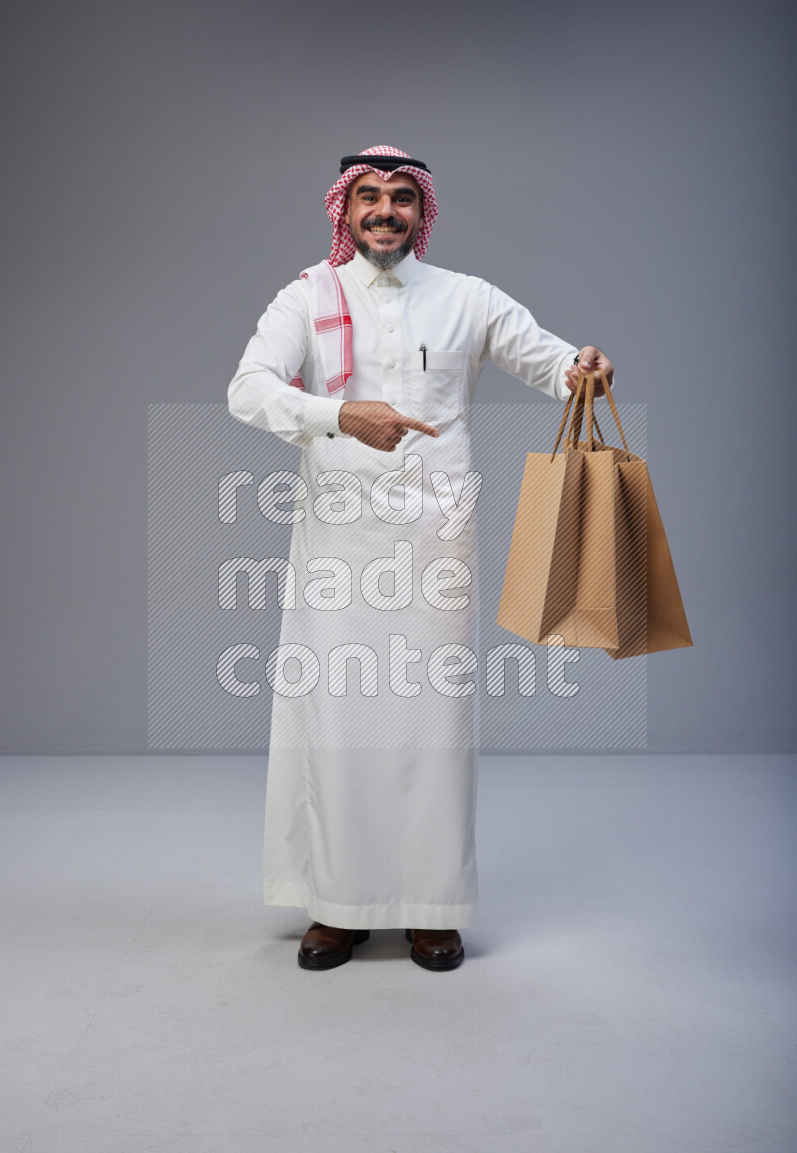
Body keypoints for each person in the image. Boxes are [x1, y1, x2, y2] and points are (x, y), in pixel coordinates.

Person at [227, 145, 614, 972]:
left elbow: (548, 359)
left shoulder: (466, 299)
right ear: (344, 208)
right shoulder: (310, 293)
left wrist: (583, 367)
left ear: (422, 210)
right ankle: (337, 906)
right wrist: (339, 415)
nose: (385, 212)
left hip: (439, 539)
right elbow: (249, 387)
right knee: (339, 717)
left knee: (433, 724)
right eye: (368, 197)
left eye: (402, 197)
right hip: (338, 539)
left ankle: (431, 906)